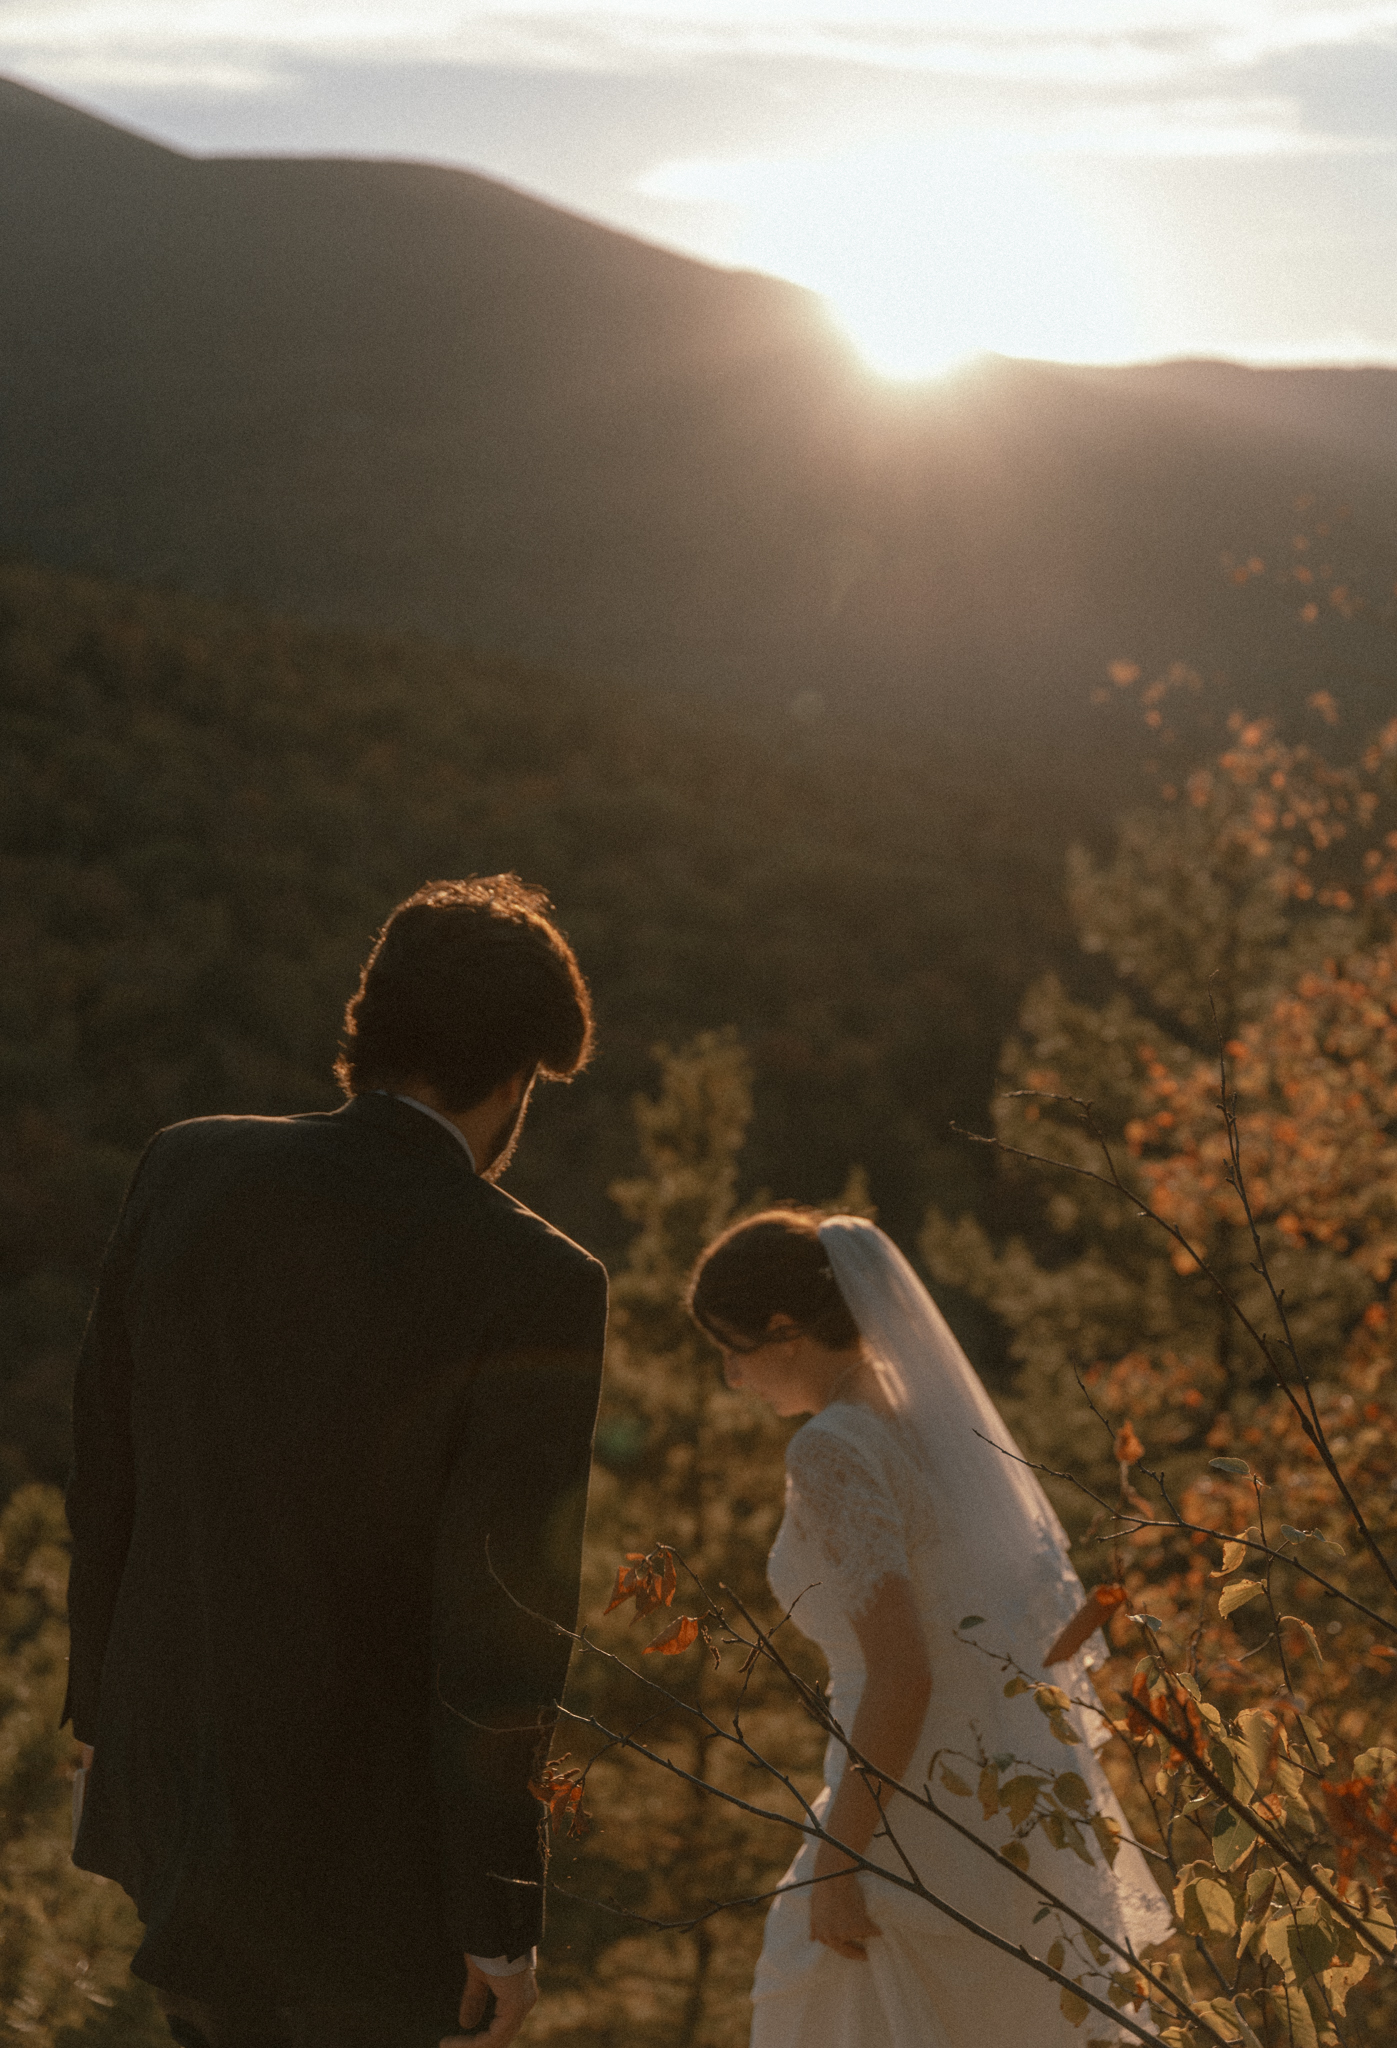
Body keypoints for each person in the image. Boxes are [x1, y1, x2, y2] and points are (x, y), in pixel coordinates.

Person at [63, 876, 609, 2048]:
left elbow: (106, 1463)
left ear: (366, 1023)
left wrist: (101, 1721)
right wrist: (499, 1914)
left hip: (174, 1807)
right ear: (517, 1078)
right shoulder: (536, 1278)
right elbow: (504, 1624)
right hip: (373, 1874)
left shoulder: (185, 1167)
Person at [688, 1209, 1171, 2048]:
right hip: (1001, 1800)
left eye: (733, 1349)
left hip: (904, 1816)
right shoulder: (934, 1430)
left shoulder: (832, 1448)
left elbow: (902, 1674)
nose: (732, 1377)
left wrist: (840, 1864)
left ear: (784, 1330)